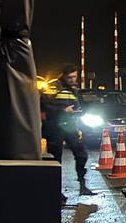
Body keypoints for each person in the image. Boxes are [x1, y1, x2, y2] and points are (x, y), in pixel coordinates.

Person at [41, 64, 95, 200]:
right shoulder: (53, 87)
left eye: (74, 76)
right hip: (54, 127)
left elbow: (76, 105)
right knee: (55, 160)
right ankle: (55, 191)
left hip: (70, 126)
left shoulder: (74, 89)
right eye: (69, 77)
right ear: (63, 75)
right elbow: (44, 105)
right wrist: (63, 111)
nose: (72, 79)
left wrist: (79, 110)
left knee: (81, 154)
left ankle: (83, 186)